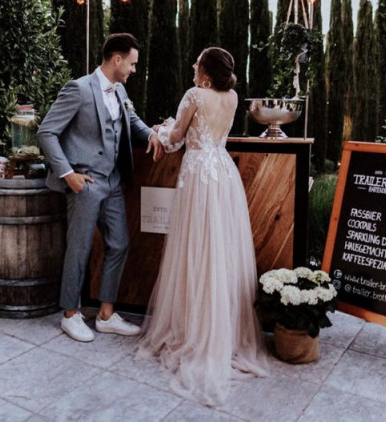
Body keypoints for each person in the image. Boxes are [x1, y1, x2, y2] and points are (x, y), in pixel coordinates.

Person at [138, 47, 270, 405]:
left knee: (195, 249)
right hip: (223, 174)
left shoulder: (194, 94)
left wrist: (159, 129)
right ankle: (220, 330)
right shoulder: (233, 97)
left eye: (198, 63)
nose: (193, 65)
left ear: (207, 74)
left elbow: (176, 138)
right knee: (220, 251)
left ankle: (193, 329)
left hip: (198, 175)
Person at [38, 33, 163, 342]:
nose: (134, 70)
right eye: (132, 64)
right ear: (117, 59)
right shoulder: (79, 89)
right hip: (86, 183)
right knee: (79, 248)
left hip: (113, 181)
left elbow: (131, 120)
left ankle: (106, 315)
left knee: (119, 244)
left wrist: (152, 134)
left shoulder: (120, 90)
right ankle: (70, 315)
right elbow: (46, 132)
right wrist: (68, 174)